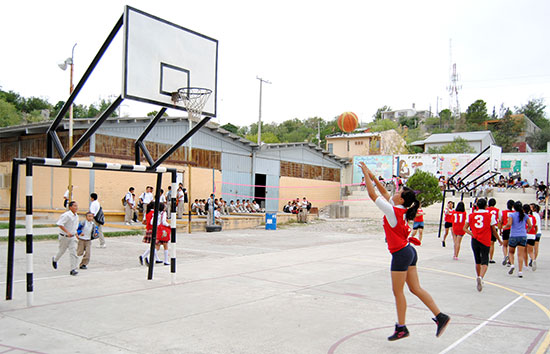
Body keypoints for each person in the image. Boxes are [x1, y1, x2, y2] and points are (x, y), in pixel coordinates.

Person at [358, 161, 450, 341]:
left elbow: (372, 194)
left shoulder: (393, 211)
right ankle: (440, 316)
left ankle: (401, 328)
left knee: (398, 292)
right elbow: (384, 192)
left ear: (401, 199)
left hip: (401, 254)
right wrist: (371, 175)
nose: (395, 193)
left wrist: (364, 175)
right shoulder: (400, 209)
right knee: (415, 288)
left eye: (398, 192)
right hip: (410, 251)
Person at [464, 198, 500, 292]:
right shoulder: (489, 215)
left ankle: (478, 276)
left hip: (475, 239)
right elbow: (493, 230)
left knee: (477, 260)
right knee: (485, 261)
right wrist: (499, 239)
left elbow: (465, 228)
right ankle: (481, 277)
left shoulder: (471, 215)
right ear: (486, 206)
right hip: (485, 239)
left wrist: (472, 234)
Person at [504, 201, 532, 278]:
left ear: (514, 207)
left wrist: (504, 227)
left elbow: (509, 224)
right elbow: (530, 225)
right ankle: (520, 271)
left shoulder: (512, 215)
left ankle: (512, 264)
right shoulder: (525, 215)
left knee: (511, 252)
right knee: (520, 254)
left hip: (513, 235)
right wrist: (527, 230)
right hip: (522, 235)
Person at [52, 201, 80, 276]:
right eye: (74, 206)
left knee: (73, 252)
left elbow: (75, 227)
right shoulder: (66, 215)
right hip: (64, 237)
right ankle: (55, 259)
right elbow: (60, 224)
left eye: (77, 206)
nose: (76, 207)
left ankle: (73, 269)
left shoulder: (76, 216)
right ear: (70, 207)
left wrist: (76, 234)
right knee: (62, 251)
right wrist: (67, 232)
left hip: (73, 237)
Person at [499, 200, 515, 266]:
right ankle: (510, 260)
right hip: (512, 230)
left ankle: (505, 256)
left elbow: (500, 221)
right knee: (511, 246)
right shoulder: (515, 213)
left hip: (505, 229)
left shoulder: (503, 212)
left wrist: (500, 230)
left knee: (505, 245)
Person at [486, 198, 500, 264]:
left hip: (486, 227)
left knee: (485, 242)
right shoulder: (497, 210)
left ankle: (485, 256)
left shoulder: (486, 210)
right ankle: (491, 258)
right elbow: (500, 219)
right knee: (492, 244)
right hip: (494, 226)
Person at [524, 204, 537, 271]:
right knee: (531, 251)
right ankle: (533, 259)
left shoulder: (523, 217)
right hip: (532, 235)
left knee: (524, 251)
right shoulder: (533, 217)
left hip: (525, 234)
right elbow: (535, 226)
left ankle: (525, 265)